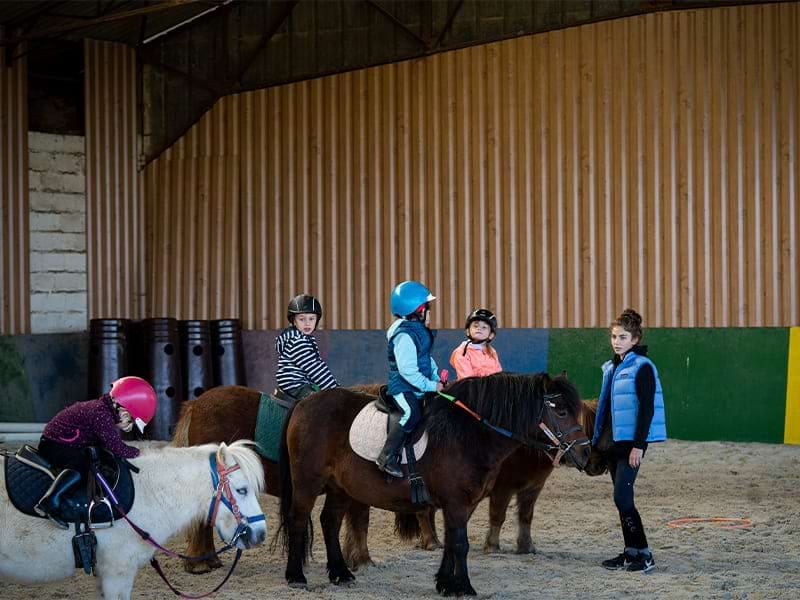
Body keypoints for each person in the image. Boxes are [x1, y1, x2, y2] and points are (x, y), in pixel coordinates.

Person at [592, 308, 667, 573]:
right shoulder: (613, 366)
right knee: (620, 499)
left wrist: (639, 445)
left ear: (635, 339)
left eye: (623, 337)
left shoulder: (642, 367)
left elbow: (647, 409)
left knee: (623, 498)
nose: (617, 341)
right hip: (613, 443)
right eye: (614, 336)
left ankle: (644, 554)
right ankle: (630, 552)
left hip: (630, 446)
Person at [35, 376, 157, 527]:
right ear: (124, 412)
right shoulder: (101, 414)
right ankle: (49, 500)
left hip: (62, 442)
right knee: (83, 463)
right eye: (131, 421)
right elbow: (116, 447)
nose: (129, 427)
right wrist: (139, 453)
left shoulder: (102, 410)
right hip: (53, 445)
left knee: (96, 456)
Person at [376, 280, 443, 478]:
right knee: (411, 414)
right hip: (403, 388)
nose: (430, 313)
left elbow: (426, 359)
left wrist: (436, 377)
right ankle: (387, 456)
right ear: (419, 310)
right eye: (428, 308)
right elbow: (407, 371)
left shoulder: (418, 333)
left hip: (418, 386)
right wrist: (430, 385)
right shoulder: (404, 336)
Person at [275, 293, 338, 402]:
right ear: (294, 321)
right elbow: (315, 368)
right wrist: (335, 389)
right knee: (320, 404)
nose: (307, 323)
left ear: (316, 321)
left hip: (301, 383)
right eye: (302, 319)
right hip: (295, 385)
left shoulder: (304, 339)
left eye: (311, 319)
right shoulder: (297, 342)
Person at [449, 308, 502, 379]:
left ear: (491, 335)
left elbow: (499, 375)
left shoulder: (492, 352)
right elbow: (467, 380)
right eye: (475, 326)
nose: (479, 329)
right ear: (468, 331)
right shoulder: (462, 352)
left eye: (484, 327)